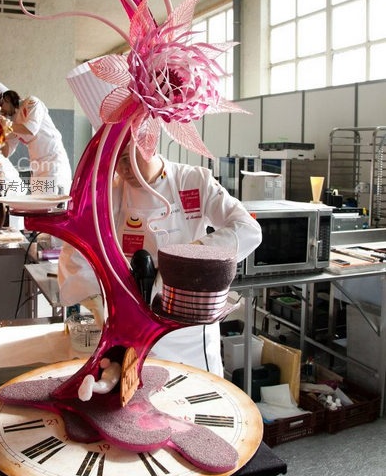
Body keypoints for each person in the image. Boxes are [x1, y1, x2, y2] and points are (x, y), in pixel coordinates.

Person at [58, 144, 262, 376]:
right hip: (133, 324)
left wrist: (192, 254)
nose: (123, 169)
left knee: (195, 390)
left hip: (191, 331)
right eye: (115, 161)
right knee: (140, 388)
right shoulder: (110, 194)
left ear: (150, 144)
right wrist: (99, 303)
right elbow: (76, 251)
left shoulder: (193, 181)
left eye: (127, 158)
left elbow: (248, 229)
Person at [0, 70, 72, 195]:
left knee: (51, 202)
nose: (2, 113)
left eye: (1, 108)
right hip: (37, 168)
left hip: (53, 162)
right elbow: (6, 152)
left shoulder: (31, 103)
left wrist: (6, 124)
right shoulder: (12, 121)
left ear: (7, 98)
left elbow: (30, 129)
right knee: (38, 203)